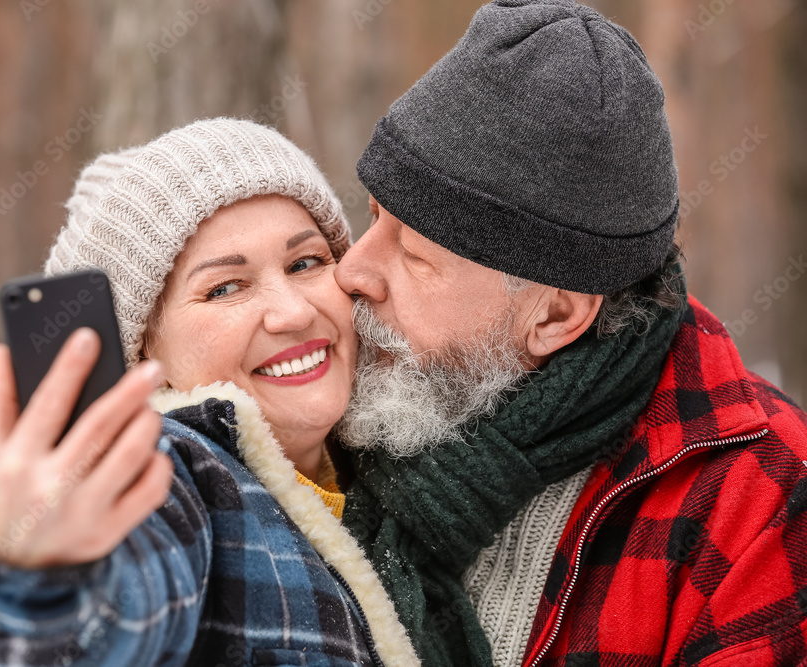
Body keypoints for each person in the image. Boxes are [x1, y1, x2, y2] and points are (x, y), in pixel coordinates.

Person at [331, 1, 807, 666]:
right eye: (372, 214)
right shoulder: (336, 408)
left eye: (413, 256)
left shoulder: (760, 499)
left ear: (554, 315)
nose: (352, 270)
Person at [0, 118, 421, 666]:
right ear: (145, 355)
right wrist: (41, 572)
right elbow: (114, 616)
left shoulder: (404, 443)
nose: (294, 311)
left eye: (304, 263)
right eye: (225, 288)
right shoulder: (174, 473)